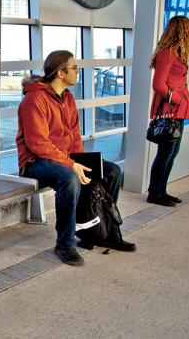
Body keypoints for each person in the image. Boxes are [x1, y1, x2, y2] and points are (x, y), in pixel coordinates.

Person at [17, 51, 135, 266]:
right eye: (74, 68)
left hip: (62, 158)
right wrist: (72, 165)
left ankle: (106, 231)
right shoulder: (35, 99)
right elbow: (38, 144)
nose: (78, 72)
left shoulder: (67, 98)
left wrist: (82, 161)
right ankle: (65, 244)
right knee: (69, 179)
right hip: (35, 162)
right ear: (61, 73)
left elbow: (73, 136)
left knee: (111, 172)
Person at [147, 15, 189, 206]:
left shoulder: (176, 53)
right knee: (165, 153)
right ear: (182, 31)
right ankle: (155, 193)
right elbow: (158, 84)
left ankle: (162, 191)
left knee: (172, 153)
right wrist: (175, 98)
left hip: (177, 109)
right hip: (171, 109)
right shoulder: (167, 54)